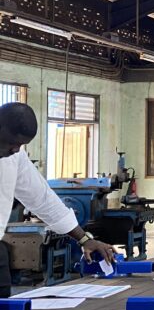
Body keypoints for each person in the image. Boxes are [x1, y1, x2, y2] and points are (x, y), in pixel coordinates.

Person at [0, 102, 116, 298]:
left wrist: (84, 239)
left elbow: (42, 198)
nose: (16, 149)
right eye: (12, 142)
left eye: (21, 145)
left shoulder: (14, 157)